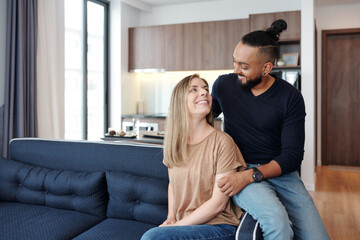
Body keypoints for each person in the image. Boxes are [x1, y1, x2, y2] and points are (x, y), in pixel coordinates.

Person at [211, 19, 330, 240]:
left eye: (244, 66)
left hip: (281, 172)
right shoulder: (224, 86)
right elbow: (204, 120)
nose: (236, 70)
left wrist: (250, 176)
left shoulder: (290, 97)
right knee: (279, 225)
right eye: (235, 62)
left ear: (266, 68)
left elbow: (292, 157)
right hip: (240, 166)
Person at [141, 74, 247, 240]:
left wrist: (175, 227)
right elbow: (173, 184)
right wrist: (171, 217)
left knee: (152, 237)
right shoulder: (175, 143)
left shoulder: (222, 142)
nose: (204, 93)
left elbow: (218, 204)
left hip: (218, 226)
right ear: (180, 101)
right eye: (194, 90)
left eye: (205, 89)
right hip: (187, 225)